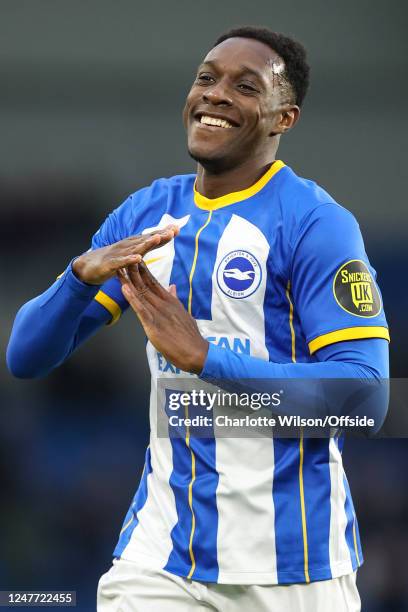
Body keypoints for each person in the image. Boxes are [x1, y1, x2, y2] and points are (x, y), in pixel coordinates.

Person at [7, 26, 390, 611]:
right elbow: (26, 358)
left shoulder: (317, 224)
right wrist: (78, 279)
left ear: (283, 117)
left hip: (295, 567)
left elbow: (366, 397)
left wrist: (208, 360)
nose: (214, 94)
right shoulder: (148, 215)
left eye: (245, 85)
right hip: (160, 560)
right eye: (206, 78)